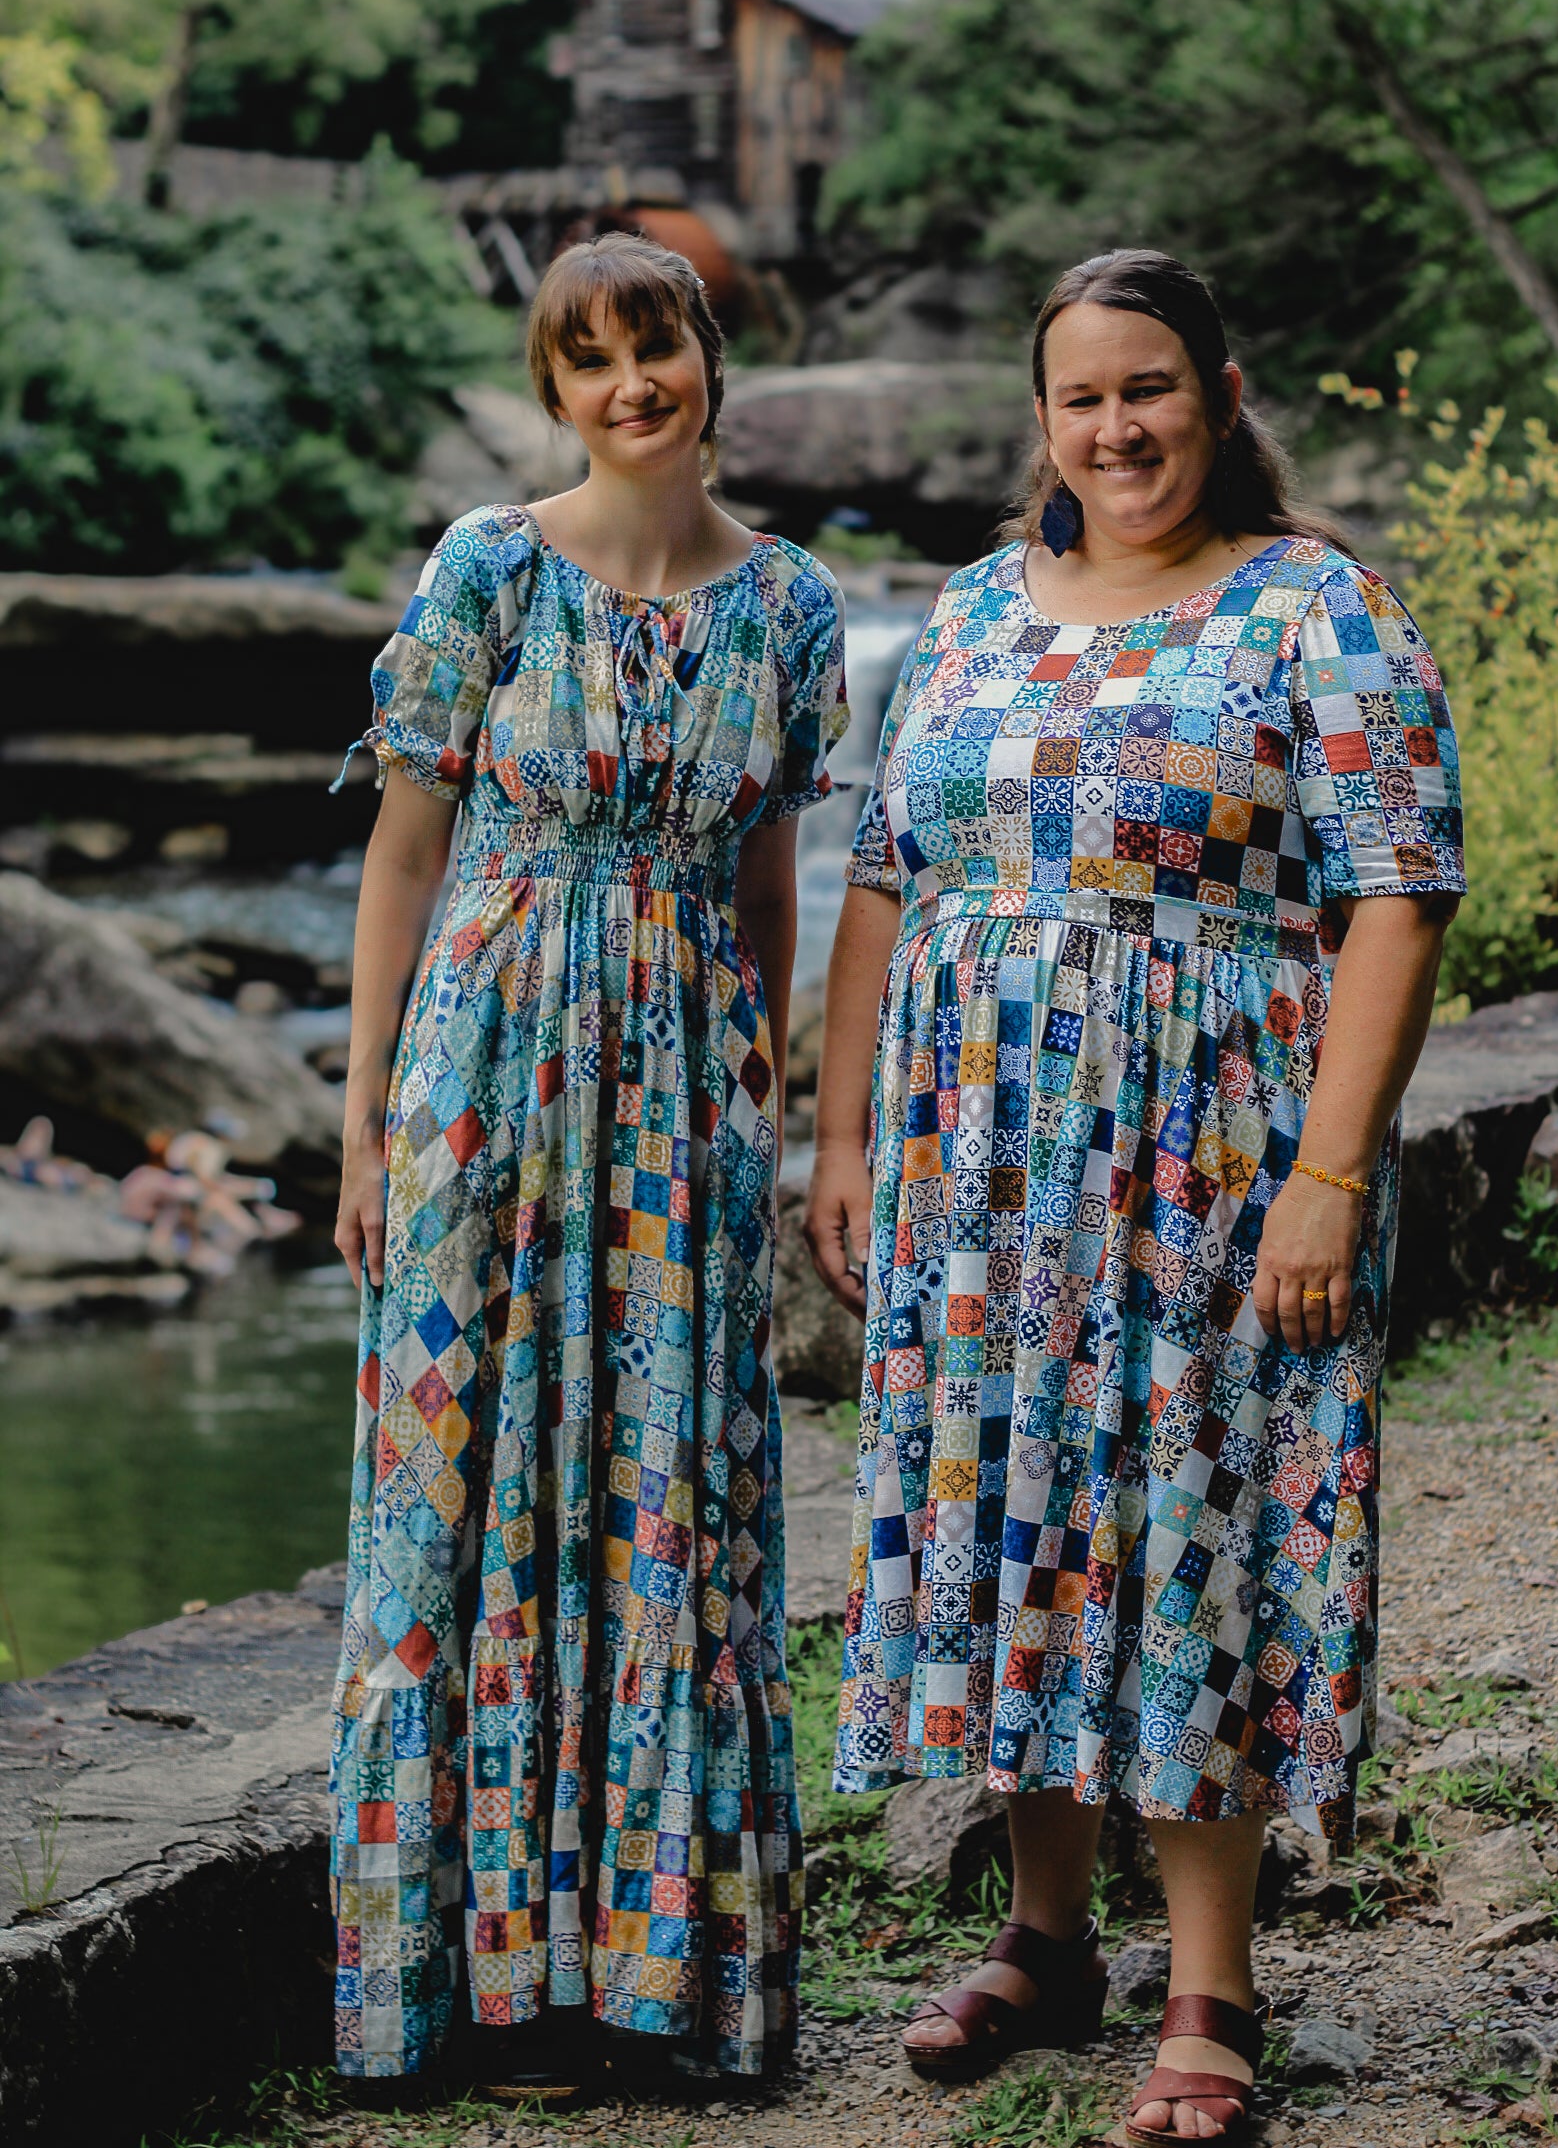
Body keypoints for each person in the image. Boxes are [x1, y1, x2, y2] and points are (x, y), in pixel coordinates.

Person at [804, 249, 1463, 2140]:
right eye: (1084, 397)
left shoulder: (1311, 606)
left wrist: (1329, 1176)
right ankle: (1043, 1934)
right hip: (976, 1166)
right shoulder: (970, 608)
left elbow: (1400, 895)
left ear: (1222, 392)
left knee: (1188, 1521)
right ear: (1043, 424)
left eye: (1151, 388)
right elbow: (879, 885)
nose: (1120, 426)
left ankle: (1213, 1987)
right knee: (1021, 1505)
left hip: (1212, 1159)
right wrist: (843, 1142)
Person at [329, 233, 847, 2084]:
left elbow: (776, 870)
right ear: (553, 389)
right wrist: (369, 1112)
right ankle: (461, 1991)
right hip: (484, 1068)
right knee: (455, 1493)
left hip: (687, 1081)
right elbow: (402, 853)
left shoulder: (789, 606)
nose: (632, 387)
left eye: (661, 350)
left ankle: (655, 1987)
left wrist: (765, 1098)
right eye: (591, 361)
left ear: (713, 362)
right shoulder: (487, 569)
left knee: (670, 1501)